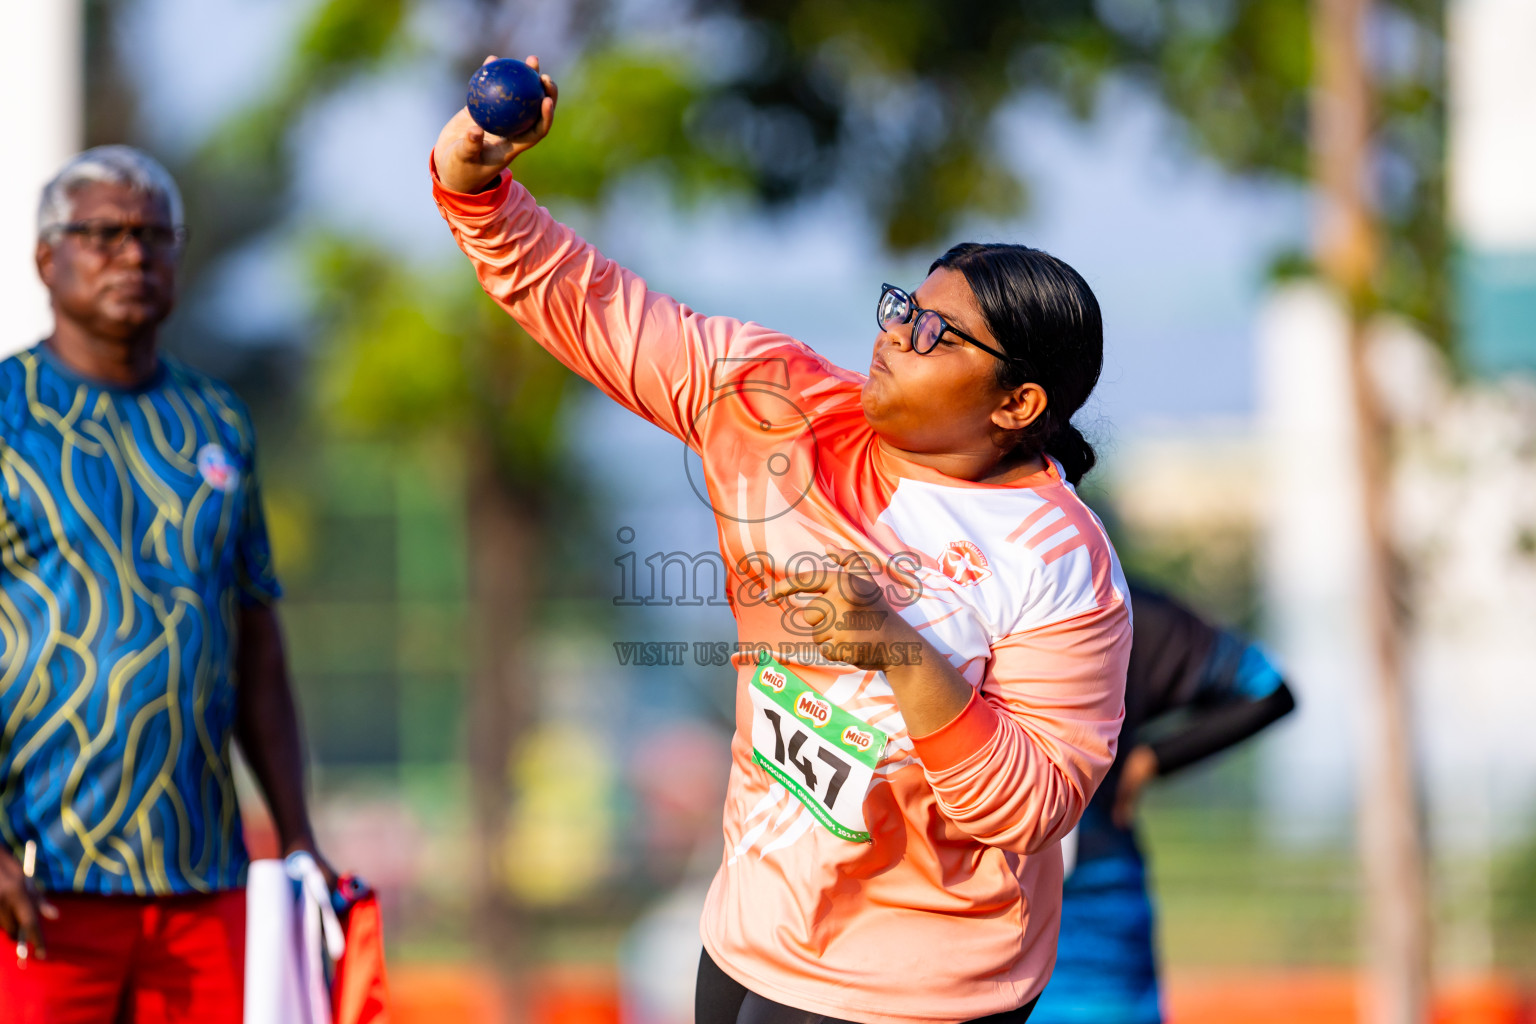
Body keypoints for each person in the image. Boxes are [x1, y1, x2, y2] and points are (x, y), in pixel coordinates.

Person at [433, 58, 1131, 1024]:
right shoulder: (776, 404)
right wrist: (478, 188)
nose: (896, 335)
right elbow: (598, 310)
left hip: (915, 984)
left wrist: (899, 653)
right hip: (749, 935)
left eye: (939, 334)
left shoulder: (1065, 563)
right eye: (905, 308)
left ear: (1018, 403)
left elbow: (1031, 807)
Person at [0, 146, 329, 1024]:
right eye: (103, 235)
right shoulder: (4, 412)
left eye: (154, 236)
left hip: (202, 878)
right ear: (47, 258)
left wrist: (297, 837)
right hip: (39, 881)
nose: (133, 255)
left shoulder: (217, 419)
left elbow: (256, 640)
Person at [1030, 585, 1296, 1024]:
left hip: (1087, 903)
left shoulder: (1125, 609)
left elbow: (1269, 691)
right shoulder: (1122, 604)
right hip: (993, 896)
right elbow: (1268, 688)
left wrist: (1149, 760)